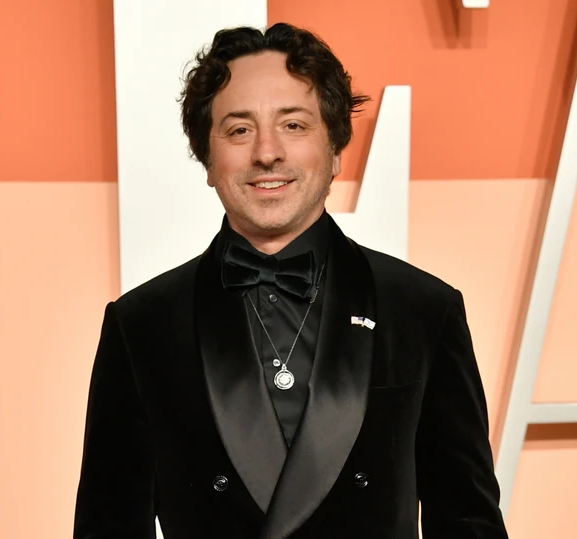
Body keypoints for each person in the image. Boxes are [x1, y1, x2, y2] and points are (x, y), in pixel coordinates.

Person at [73, 22, 508, 539]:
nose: (267, 152)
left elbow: (468, 521)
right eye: (239, 130)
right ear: (207, 159)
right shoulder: (142, 325)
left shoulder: (422, 308)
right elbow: (107, 526)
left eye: (294, 125)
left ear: (336, 149)